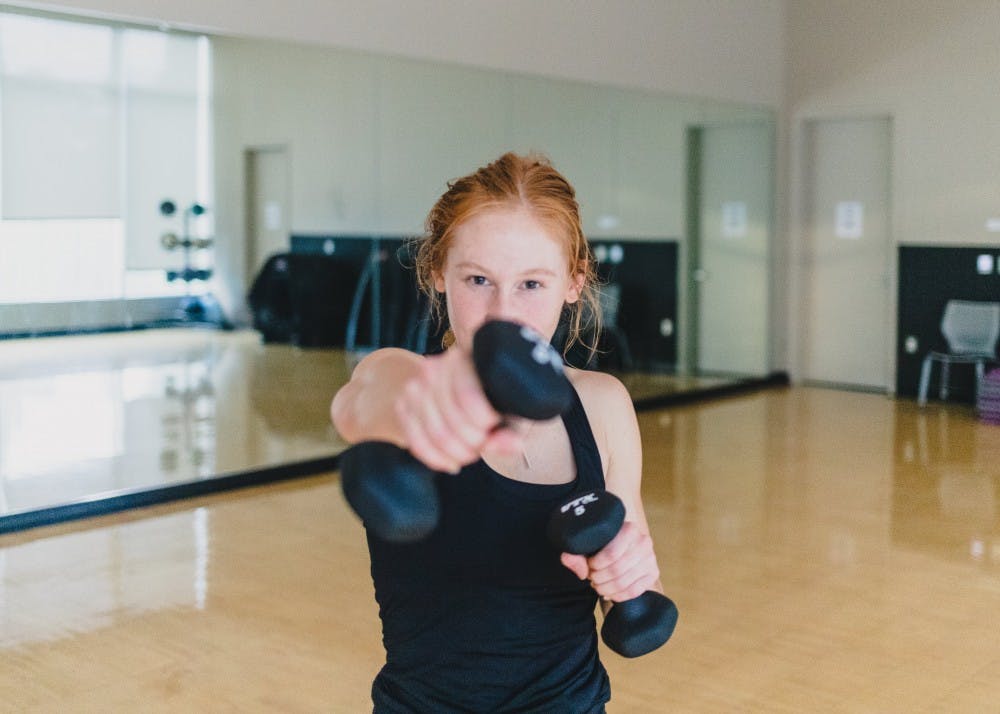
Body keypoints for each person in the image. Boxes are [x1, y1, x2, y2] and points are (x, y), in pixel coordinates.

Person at [331, 152, 664, 713]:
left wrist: (628, 578)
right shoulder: (405, 383)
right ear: (438, 272)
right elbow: (363, 398)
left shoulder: (603, 406)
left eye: (531, 282)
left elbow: (632, 585)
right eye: (478, 279)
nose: (503, 313)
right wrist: (423, 394)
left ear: (573, 283)